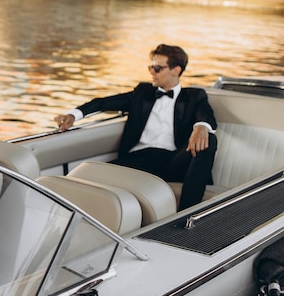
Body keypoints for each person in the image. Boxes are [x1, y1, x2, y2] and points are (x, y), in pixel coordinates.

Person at [54, 44, 217, 210]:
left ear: (176, 70)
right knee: (88, 175)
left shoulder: (194, 96)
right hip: (139, 160)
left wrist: (201, 127)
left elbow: (207, 116)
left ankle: (188, 213)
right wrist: (73, 115)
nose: (151, 72)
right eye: (151, 67)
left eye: (157, 68)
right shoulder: (142, 93)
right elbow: (103, 103)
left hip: (173, 161)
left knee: (209, 139)